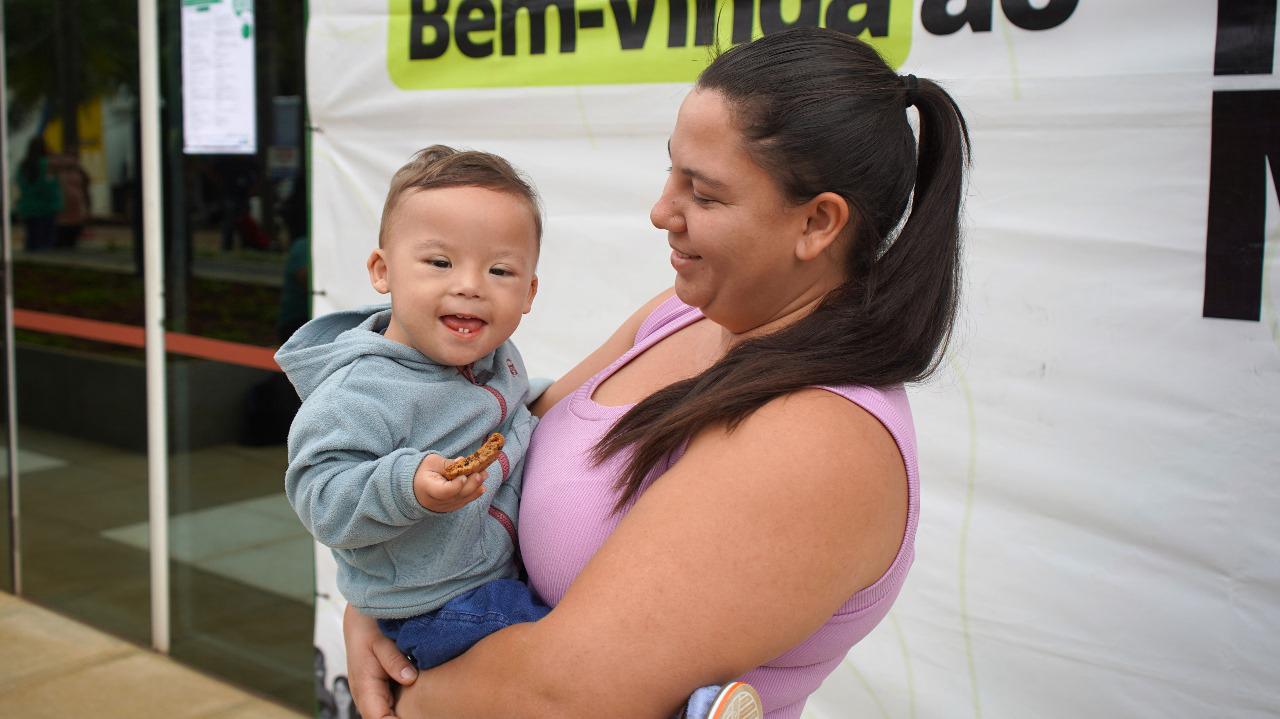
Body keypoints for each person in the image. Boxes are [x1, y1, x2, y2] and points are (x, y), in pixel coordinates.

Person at [345, 27, 969, 718]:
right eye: (672, 169)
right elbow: (496, 442)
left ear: (818, 222)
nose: (660, 210)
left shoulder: (823, 437)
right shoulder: (683, 313)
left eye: (702, 194)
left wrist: (404, 691)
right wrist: (383, 597)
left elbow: (560, 695)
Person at [280, 146, 759, 718]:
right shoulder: (362, 391)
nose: (471, 286)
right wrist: (405, 485)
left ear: (530, 292)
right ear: (382, 270)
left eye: (500, 270)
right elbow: (319, 493)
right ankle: (686, 712)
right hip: (436, 605)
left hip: (484, 576)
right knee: (563, 655)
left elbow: (514, 409)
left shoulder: (491, 361)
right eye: (439, 263)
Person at [15, 137, 63, 252]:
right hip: (45, 208)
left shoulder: (23, 165)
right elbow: (50, 187)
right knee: (45, 244)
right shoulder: (47, 165)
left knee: (31, 241)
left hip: (27, 207)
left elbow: (19, 184)